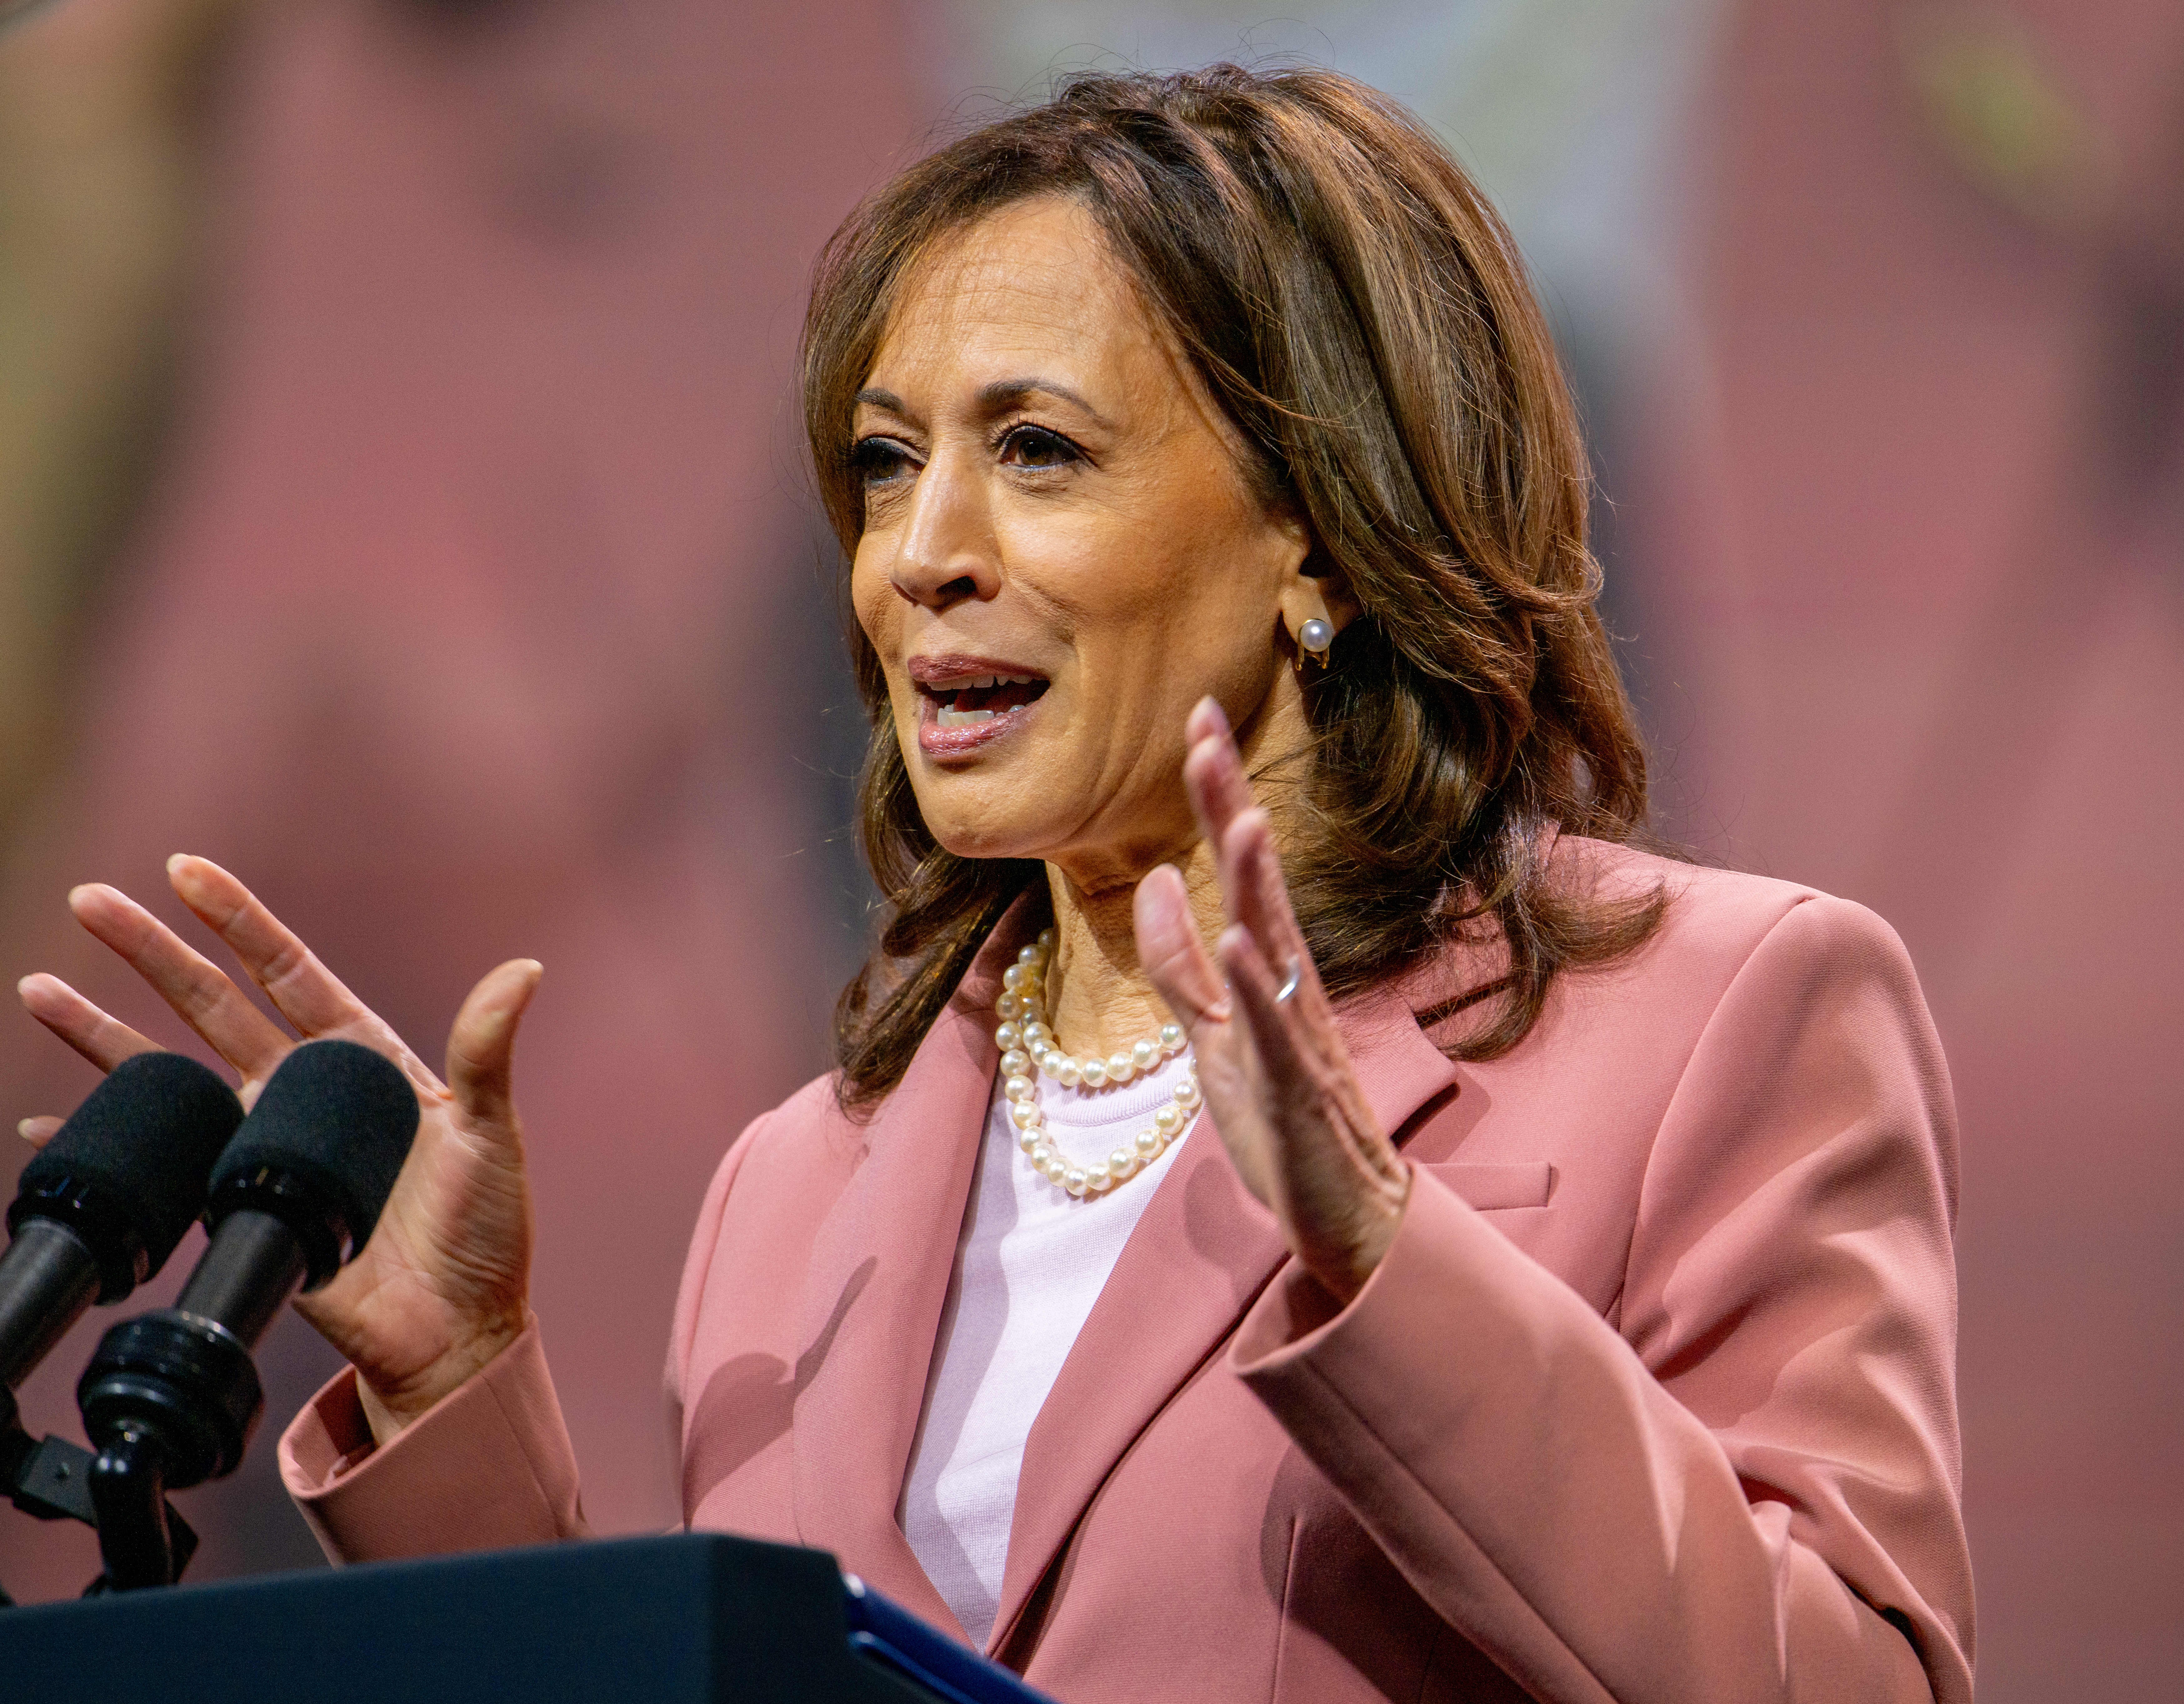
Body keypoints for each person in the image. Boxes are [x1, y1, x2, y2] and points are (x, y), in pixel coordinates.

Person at [14, 66, 1972, 1704]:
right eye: (882, 467)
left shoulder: (1731, 1011)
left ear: (1321, 528)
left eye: (1034, 451)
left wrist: (1384, 1256)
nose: (914, 557)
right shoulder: (801, 1182)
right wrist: (452, 1388)